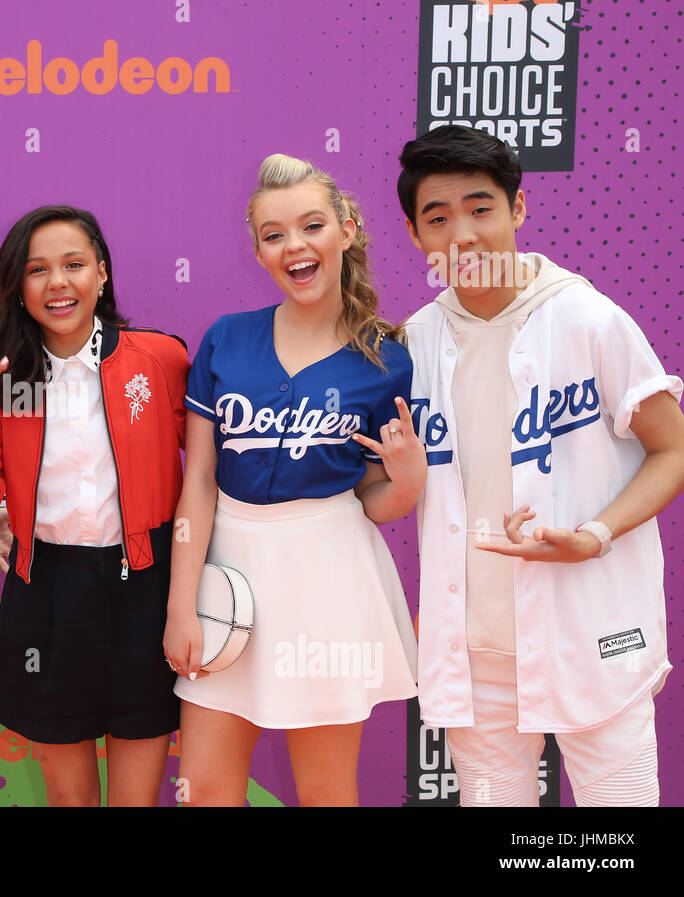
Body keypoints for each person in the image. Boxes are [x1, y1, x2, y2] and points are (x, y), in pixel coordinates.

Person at [396, 125, 684, 806]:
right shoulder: (413, 342)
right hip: (477, 658)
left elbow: (671, 448)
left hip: (594, 634)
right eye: (438, 217)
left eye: (481, 207)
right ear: (415, 235)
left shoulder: (588, 318)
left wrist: (595, 533)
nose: (462, 235)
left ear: (518, 209)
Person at [163, 154, 424, 806]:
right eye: (274, 234)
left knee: (327, 791)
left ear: (349, 229)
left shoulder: (386, 359)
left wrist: (410, 482)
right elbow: (197, 480)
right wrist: (181, 600)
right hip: (230, 568)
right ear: (258, 251)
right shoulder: (226, 340)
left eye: (311, 225)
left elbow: (375, 499)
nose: (295, 245)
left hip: (328, 575)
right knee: (204, 791)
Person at [0, 206, 189, 806]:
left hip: (145, 590)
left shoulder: (159, 360)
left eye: (74, 265)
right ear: (18, 289)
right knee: (69, 801)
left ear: (101, 272)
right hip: (45, 593)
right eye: (38, 270)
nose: (58, 283)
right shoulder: (7, 378)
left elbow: (208, 475)